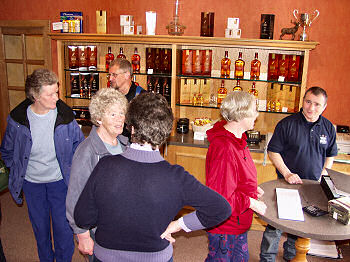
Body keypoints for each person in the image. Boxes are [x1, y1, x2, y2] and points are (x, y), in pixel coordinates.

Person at [74, 92, 232, 262]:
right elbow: (221, 209)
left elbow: (82, 218)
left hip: (106, 257)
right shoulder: (176, 177)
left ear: (132, 128)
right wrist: (177, 225)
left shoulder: (105, 166)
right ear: (166, 133)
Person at [0, 69, 84, 262]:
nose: (57, 97)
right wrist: (18, 170)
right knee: (41, 229)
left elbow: (78, 146)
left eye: (57, 91)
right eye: (51, 94)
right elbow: (7, 151)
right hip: (32, 184)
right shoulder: (17, 120)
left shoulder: (66, 116)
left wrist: (72, 171)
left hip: (60, 183)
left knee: (64, 230)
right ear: (36, 96)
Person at [259, 86, 338, 262]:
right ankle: (267, 258)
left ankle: (291, 254)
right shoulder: (287, 124)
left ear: (324, 107)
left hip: (312, 187)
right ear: (303, 101)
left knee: (300, 223)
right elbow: (273, 151)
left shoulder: (328, 128)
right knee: (276, 225)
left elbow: (331, 155)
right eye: (308, 102)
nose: (311, 108)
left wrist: (323, 174)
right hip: (286, 184)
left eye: (317, 104)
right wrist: (287, 174)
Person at [66, 88, 128, 262]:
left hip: (121, 226)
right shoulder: (87, 152)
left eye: (122, 113)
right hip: (98, 231)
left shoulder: (125, 145)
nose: (120, 119)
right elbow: (74, 198)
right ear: (99, 118)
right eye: (113, 114)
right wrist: (82, 235)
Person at [205, 91, 267, 262]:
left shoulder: (238, 139)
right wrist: (251, 202)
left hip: (237, 221)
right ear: (241, 114)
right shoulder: (224, 148)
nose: (257, 114)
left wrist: (252, 189)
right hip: (226, 224)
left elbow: (237, 178)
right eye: (254, 110)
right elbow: (222, 197)